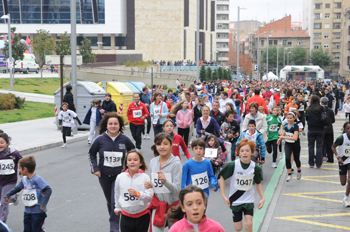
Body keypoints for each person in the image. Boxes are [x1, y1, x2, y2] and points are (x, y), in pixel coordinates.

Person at [88, 112, 135, 232]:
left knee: (115, 201)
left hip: (120, 176)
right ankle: (115, 218)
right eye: (110, 124)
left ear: (120, 125)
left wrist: (130, 168)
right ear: (106, 125)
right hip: (104, 175)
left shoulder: (125, 139)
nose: (113, 126)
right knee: (110, 201)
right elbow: (91, 154)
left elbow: (133, 153)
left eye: (115, 124)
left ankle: (114, 227)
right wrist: (95, 169)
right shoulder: (99, 140)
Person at [218, 139, 264, 232]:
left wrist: (262, 198)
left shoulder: (256, 167)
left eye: (247, 151)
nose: (245, 153)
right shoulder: (233, 165)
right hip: (235, 200)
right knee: (238, 228)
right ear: (238, 153)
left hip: (248, 199)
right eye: (242, 151)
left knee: (249, 224)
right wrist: (223, 195)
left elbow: (258, 183)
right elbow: (222, 178)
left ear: (252, 152)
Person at [145, 133, 182, 232]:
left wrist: (165, 181)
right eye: (159, 144)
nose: (162, 147)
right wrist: (149, 185)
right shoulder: (153, 162)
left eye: (165, 144)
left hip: (173, 207)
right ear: (155, 146)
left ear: (171, 145)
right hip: (158, 206)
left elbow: (177, 190)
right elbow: (152, 182)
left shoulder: (176, 164)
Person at [5, 156, 52, 232]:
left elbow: (48, 190)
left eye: (20, 168)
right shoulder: (24, 179)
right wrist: (8, 194)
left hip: (38, 212)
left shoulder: (37, 179)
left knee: (36, 230)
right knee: (27, 230)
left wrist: (43, 204)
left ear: (25, 169)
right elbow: (17, 188)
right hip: (27, 211)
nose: (19, 170)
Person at [114, 150, 153, 232]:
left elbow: (150, 197)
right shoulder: (120, 177)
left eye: (135, 160)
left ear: (141, 163)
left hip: (142, 215)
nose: (132, 162)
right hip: (126, 216)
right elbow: (117, 193)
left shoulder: (145, 177)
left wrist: (138, 194)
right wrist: (117, 207)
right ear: (126, 163)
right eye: (129, 160)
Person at [0, 130, 22, 223]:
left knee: (4, 200)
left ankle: (2, 223)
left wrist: (21, 172)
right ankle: (14, 196)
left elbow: (21, 162)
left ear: (7, 143)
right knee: (3, 200)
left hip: (10, 181)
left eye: (1, 143)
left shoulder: (14, 153)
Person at [277, 112, 302, 182]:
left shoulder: (295, 126)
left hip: (295, 145)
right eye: (288, 118)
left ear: (294, 118)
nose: (289, 119)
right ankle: (289, 174)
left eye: (291, 118)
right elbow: (285, 132)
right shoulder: (286, 126)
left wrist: (283, 137)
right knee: (287, 158)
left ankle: (299, 170)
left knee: (296, 159)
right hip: (288, 144)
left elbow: (295, 138)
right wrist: (279, 139)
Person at [331, 122, 350, 207]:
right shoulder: (341, 138)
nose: (349, 130)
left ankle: (345, 198)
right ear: (345, 130)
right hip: (342, 161)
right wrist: (338, 157)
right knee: (343, 183)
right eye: (348, 128)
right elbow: (333, 147)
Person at [306, 95, 325, 168]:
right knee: (319, 146)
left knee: (311, 146)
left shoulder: (308, 109)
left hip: (311, 129)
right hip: (320, 129)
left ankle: (311, 163)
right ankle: (318, 163)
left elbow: (307, 119)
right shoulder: (321, 108)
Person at [321, 97, 335, 163]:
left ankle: (320, 158)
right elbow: (333, 120)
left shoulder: (320, 110)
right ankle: (330, 158)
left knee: (321, 144)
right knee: (330, 144)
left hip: (322, 129)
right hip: (329, 129)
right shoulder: (330, 110)